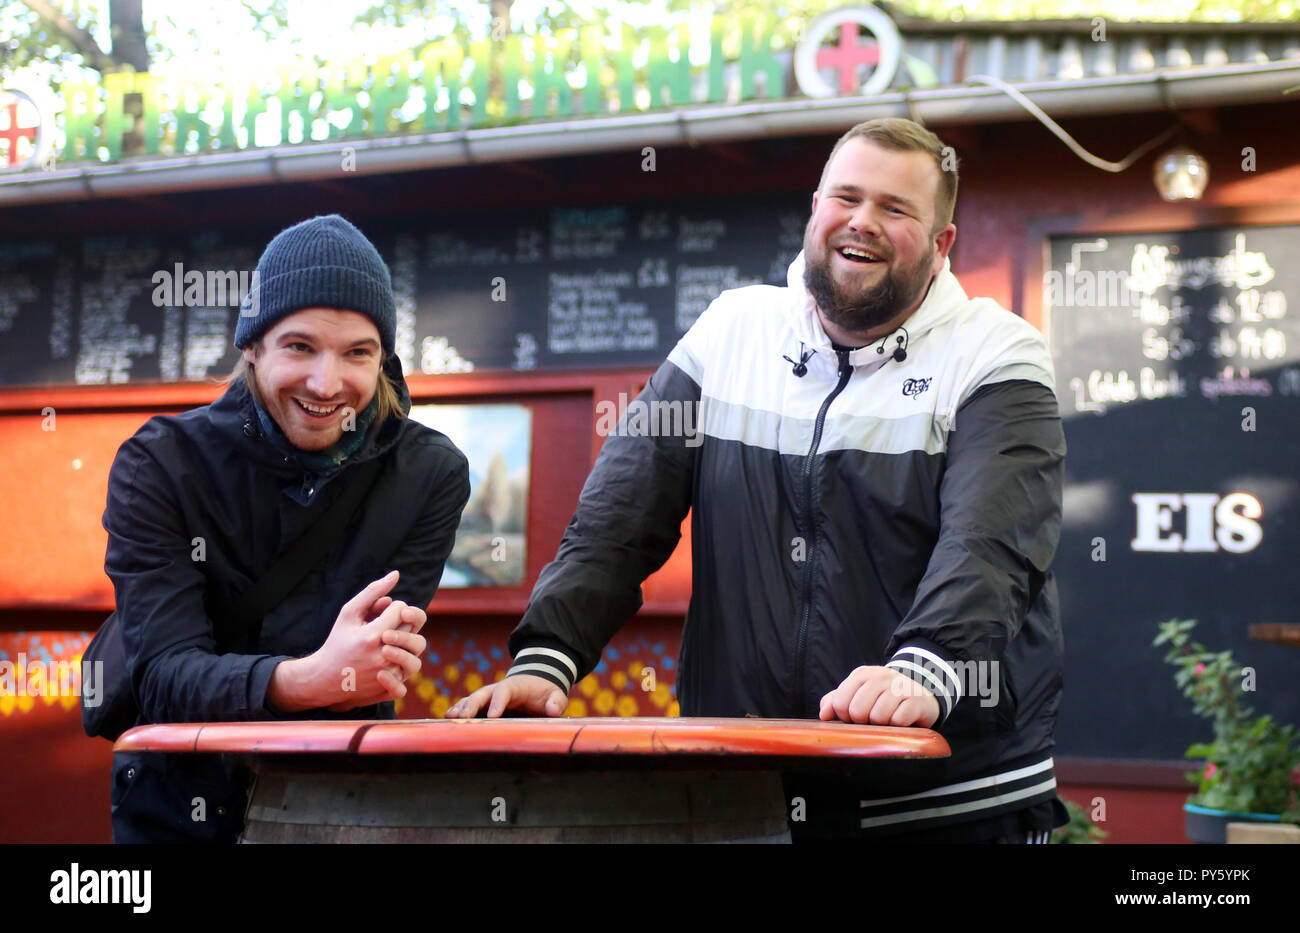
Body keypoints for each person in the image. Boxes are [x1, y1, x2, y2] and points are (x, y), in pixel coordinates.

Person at [447, 118, 1069, 842]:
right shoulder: (730, 329)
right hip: (750, 794)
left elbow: (991, 540)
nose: (862, 222)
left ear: (941, 245)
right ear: (815, 210)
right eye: (846, 197)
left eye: (895, 209)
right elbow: (619, 515)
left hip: (949, 799)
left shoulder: (998, 352)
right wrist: (547, 659)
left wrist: (925, 666)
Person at [102, 214, 470, 843]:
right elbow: (160, 677)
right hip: (175, 808)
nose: (327, 385)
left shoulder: (432, 472)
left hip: (339, 805)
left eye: (358, 353)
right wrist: (307, 679)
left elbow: (370, 668)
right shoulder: (159, 462)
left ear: (383, 358)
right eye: (299, 347)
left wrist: (328, 674)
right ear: (252, 346)